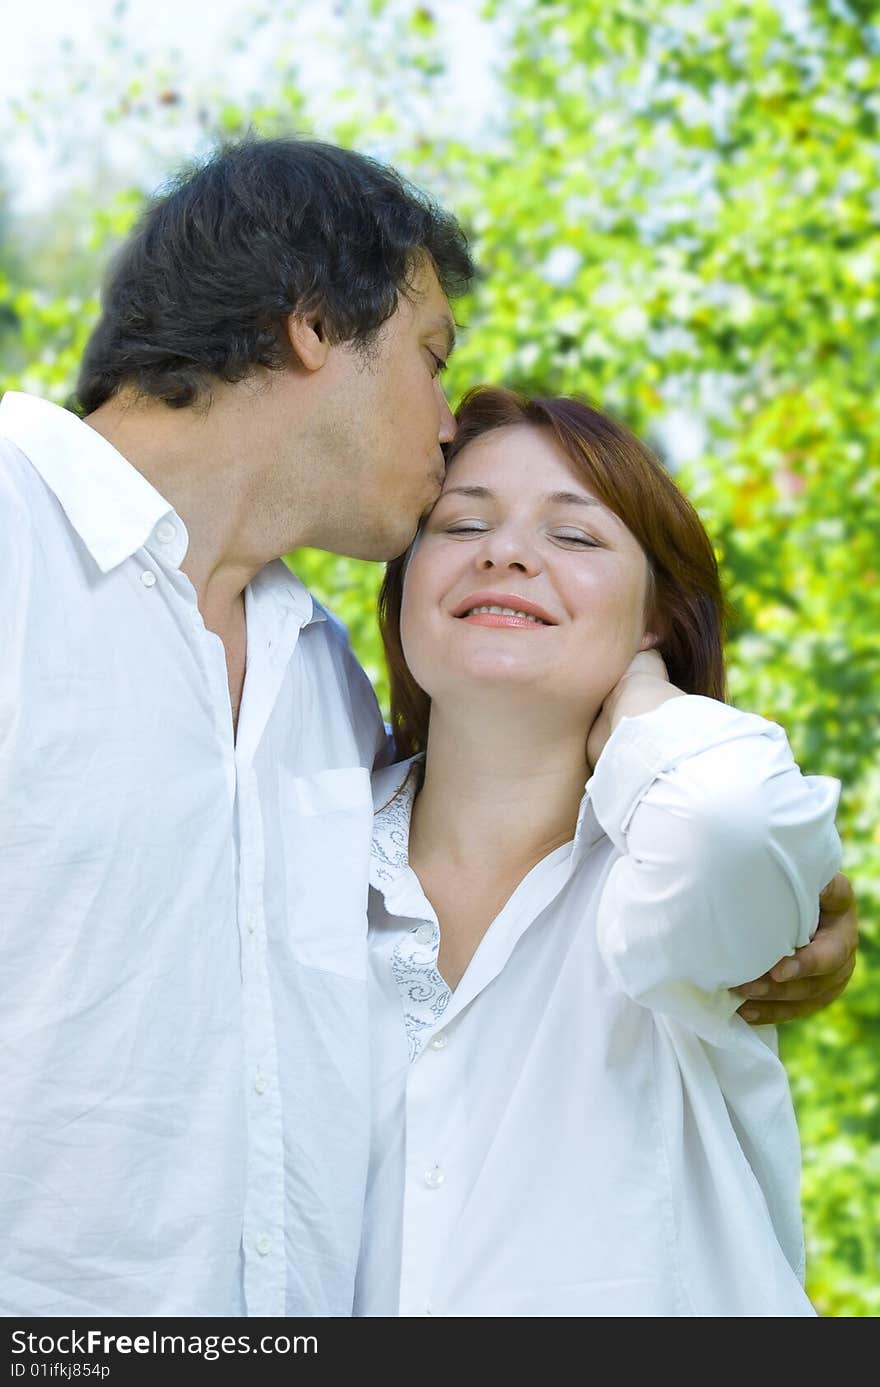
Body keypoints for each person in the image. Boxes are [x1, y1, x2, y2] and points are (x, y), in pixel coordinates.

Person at [0, 137, 857, 1318]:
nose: (445, 422)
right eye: (431, 358)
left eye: (572, 535)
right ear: (312, 325)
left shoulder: (314, 684)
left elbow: (705, 837)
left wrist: (774, 867)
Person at [355, 388, 842, 1316]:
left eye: (575, 538)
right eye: (461, 524)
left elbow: (734, 821)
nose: (505, 553)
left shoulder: (668, 878)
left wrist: (643, 704)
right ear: (405, 582)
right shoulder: (301, 860)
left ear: (658, 616)